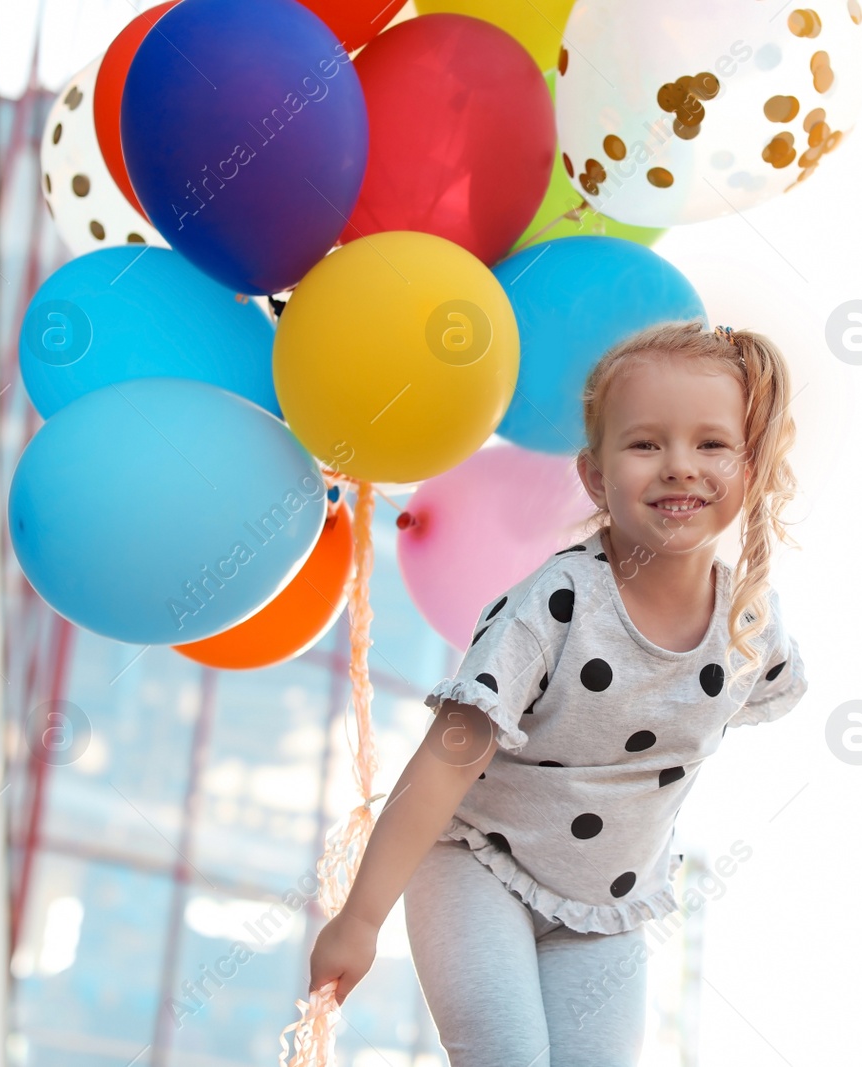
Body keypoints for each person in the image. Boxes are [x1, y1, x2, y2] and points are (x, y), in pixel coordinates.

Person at [307, 319, 809, 1065]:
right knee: (508, 1052)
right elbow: (445, 759)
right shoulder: (556, 603)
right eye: (645, 443)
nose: (679, 466)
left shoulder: (750, 630)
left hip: (606, 907)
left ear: (752, 465)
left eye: (711, 444)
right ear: (596, 476)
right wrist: (360, 916)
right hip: (477, 861)